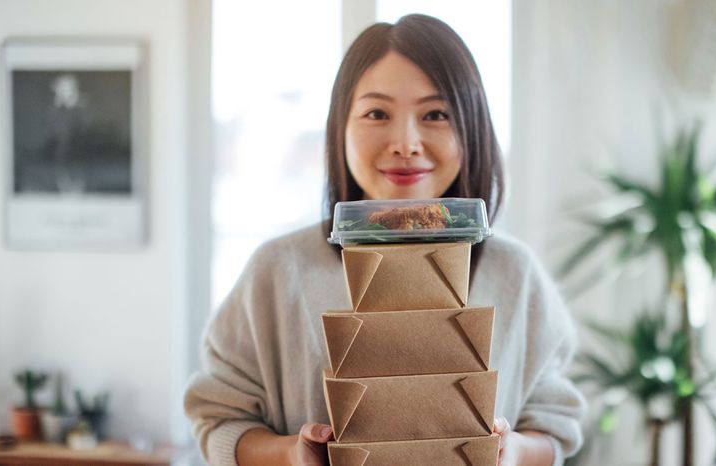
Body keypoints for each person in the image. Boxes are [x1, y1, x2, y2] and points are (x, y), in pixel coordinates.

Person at [184, 14, 585, 466]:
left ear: (471, 128)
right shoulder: (279, 270)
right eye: (377, 113)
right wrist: (293, 456)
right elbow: (219, 419)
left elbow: (554, 425)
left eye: (435, 114)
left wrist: (512, 453)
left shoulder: (515, 272)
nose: (405, 142)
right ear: (341, 127)